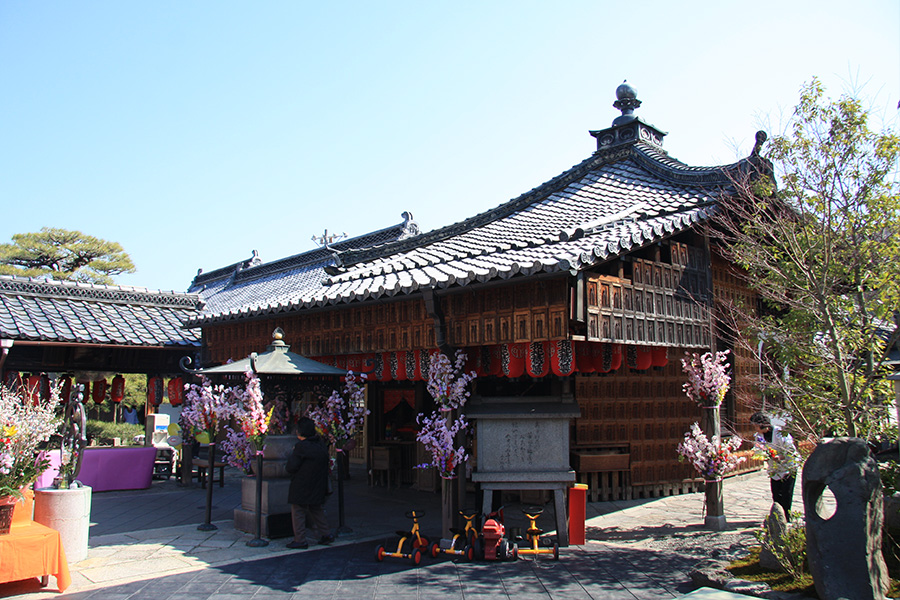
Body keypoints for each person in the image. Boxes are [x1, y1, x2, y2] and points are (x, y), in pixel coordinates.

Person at [284, 417, 334, 549]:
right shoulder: (321, 445)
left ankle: (300, 539)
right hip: (318, 483)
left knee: (298, 510)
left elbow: (291, 467)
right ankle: (326, 534)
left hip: (302, 484)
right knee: (316, 508)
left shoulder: (301, 447)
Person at [750, 411, 801, 519]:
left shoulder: (779, 432)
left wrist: (781, 457)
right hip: (774, 467)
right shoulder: (758, 436)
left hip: (789, 465)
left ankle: (786, 518)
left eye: (755, 425)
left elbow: (790, 449)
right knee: (776, 493)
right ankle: (778, 517)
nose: (754, 427)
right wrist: (762, 455)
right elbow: (759, 449)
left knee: (786, 493)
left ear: (761, 424)